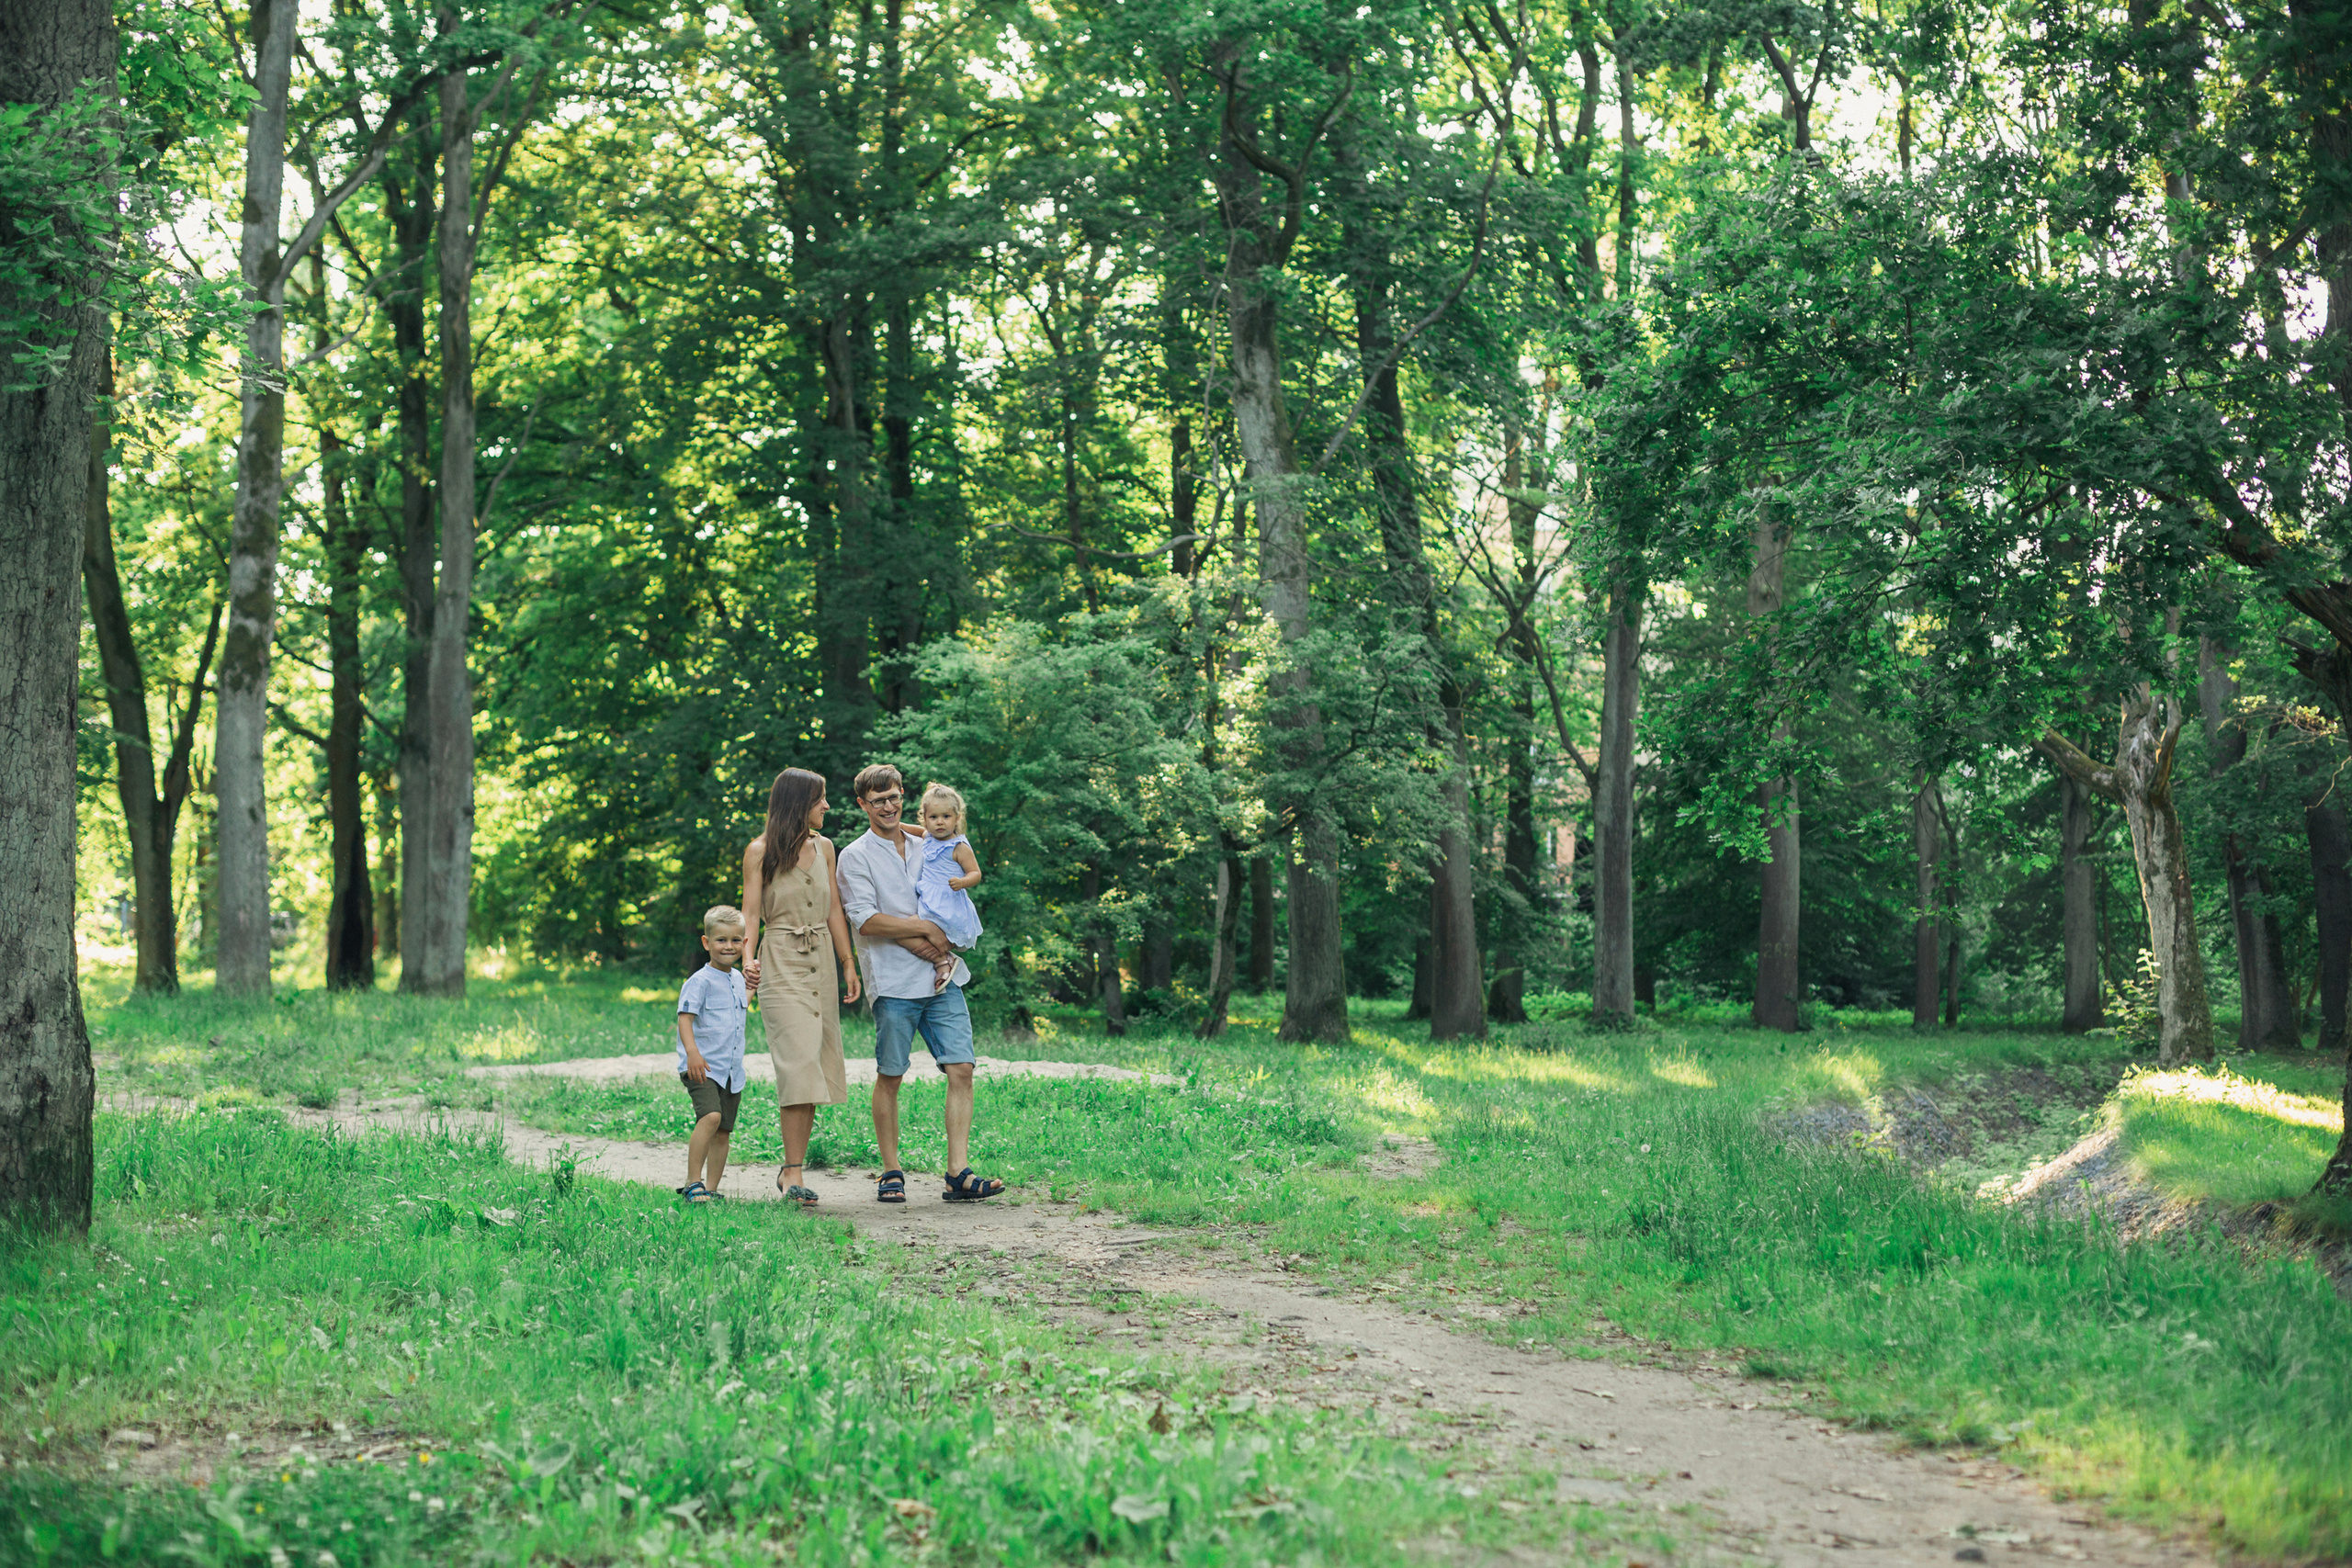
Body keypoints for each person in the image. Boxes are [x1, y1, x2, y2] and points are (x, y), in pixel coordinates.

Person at [835, 762, 1007, 1204]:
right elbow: (866, 920)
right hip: (893, 981)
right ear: (863, 805)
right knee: (891, 1074)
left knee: (962, 1068)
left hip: (942, 979)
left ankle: (957, 1173)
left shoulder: (929, 841)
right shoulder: (855, 855)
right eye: (878, 801)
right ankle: (891, 1171)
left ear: (903, 796)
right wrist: (924, 929)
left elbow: (958, 882)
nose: (888, 806)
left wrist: (941, 930)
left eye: (894, 797)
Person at [740, 767, 861, 1211]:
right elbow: (750, 914)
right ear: (798, 803)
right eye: (819, 798)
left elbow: (835, 911)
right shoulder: (760, 851)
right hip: (781, 961)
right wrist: (747, 960)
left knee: (814, 1066)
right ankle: (792, 1172)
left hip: (821, 962)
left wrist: (848, 962)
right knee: (797, 1065)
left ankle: (794, 1168)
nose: (826, 805)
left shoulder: (825, 847)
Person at [674, 905, 751, 1204]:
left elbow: (740, 1005)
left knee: (723, 1130)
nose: (728, 946)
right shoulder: (699, 981)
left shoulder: (737, 979)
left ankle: (712, 1188)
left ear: (744, 943)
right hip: (702, 1066)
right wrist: (692, 1053)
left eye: (735, 940)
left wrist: (752, 987)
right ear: (707, 943)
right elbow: (685, 1018)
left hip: (731, 1070)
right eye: (721, 940)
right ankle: (693, 1183)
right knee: (711, 1117)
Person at [894, 782, 982, 991]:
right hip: (929, 901)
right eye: (933, 817)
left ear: (957, 818)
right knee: (903, 933)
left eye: (946, 816)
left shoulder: (959, 846)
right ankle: (943, 960)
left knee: (903, 931)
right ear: (925, 819)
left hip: (947, 905)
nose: (940, 822)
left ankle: (942, 961)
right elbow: (916, 831)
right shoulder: (928, 837)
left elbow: (976, 873)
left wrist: (962, 882)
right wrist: (896, 826)